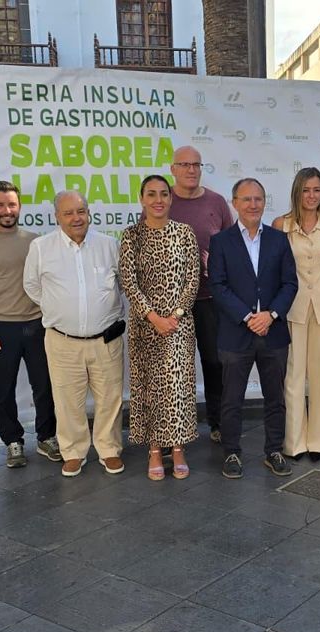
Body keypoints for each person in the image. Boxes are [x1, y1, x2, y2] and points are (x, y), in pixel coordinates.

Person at [23, 191, 126, 477]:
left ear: (89, 212)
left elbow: (122, 283)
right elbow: (32, 286)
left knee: (110, 398)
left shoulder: (109, 245)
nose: (75, 218)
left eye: (80, 211)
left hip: (106, 339)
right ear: (56, 217)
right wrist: (58, 308)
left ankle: (108, 449)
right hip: (62, 340)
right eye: (68, 213)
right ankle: (73, 451)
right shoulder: (41, 248)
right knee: (68, 400)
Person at [0, 181, 58, 469]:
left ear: (19, 206)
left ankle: (47, 436)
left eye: (12, 204)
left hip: (37, 325)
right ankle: (13, 441)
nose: (7, 210)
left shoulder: (36, 242)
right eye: (0, 205)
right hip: (0, 328)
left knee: (44, 386)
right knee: (4, 390)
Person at [208, 178, 299, 479]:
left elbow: (290, 283)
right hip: (236, 333)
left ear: (264, 201)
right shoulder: (221, 241)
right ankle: (232, 452)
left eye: (258, 199)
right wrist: (248, 317)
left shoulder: (278, 239)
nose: (252, 205)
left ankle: (274, 450)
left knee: (275, 397)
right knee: (231, 398)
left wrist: (270, 315)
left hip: (273, 333)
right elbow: (218, 287)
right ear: (234, 203)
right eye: (246, 199)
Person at [119, 176, 201, 480]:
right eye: (151, 194)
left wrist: (175, 315)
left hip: (179, 327)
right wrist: (154, 317)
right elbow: (129, 282)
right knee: (151, 389)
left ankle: (177, 447)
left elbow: (193, 279)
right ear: (141, 198)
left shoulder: (184, 233)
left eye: (164, 194)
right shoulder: (132, 236)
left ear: (170, 198)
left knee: (177, 388)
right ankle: (155, 449)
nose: (158, 199)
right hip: (145, 326)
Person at [273, 168, 320, 461]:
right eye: (306, 190)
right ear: (297, 192)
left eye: (317, 190)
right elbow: (274, 270)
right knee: (293, 375)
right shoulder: (281, 224)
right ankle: (295, 443)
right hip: (293, 307)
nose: (312, 196)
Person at [169, 146, 234, 444]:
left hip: (210, 299)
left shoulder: (217, 203)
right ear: (173, 169)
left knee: (214, 361)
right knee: (176, 366)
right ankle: (176, 426)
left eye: (196, 164)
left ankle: (218, 421)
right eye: (184, 164)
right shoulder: (162, 201)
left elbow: (233, 247)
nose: (191, 170)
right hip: (172, 303)